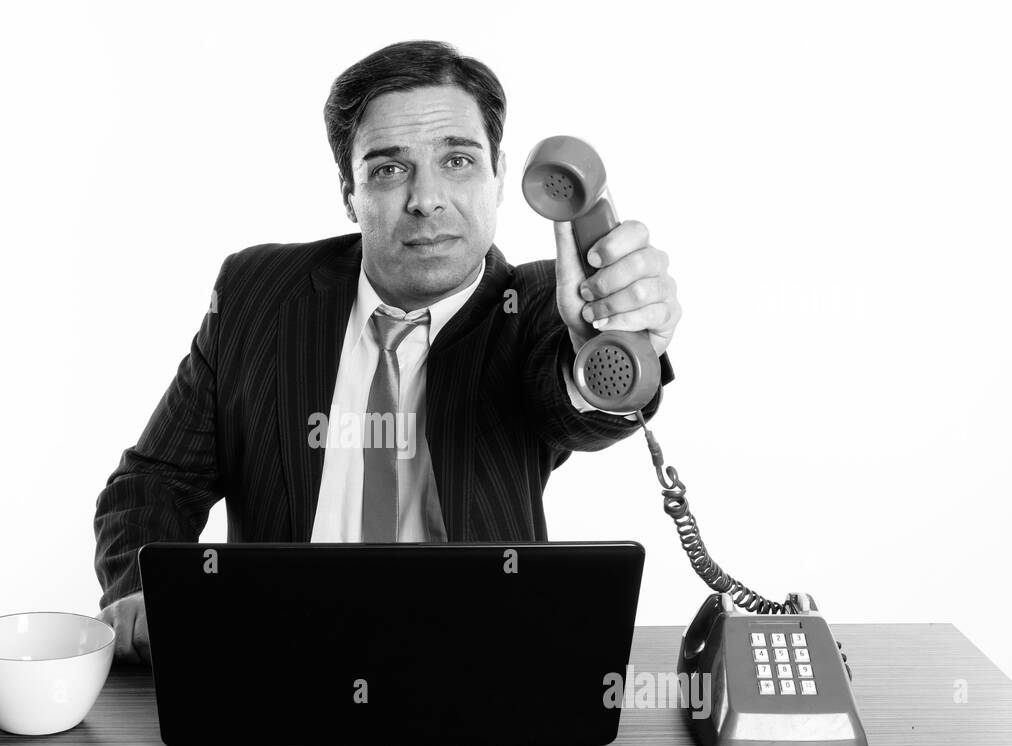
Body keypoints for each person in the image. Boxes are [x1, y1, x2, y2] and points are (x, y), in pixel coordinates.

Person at [94, 39, 683, 665]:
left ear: (500, 176)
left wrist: (605, 354)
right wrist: (147, 596)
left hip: (481, 670)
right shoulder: (255, 294)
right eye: (388, 169)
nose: (426, 198)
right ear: (350, 192)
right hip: (277, 666)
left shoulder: (539, 304)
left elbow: (571, 410)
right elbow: (154, 480)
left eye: (457, 161)